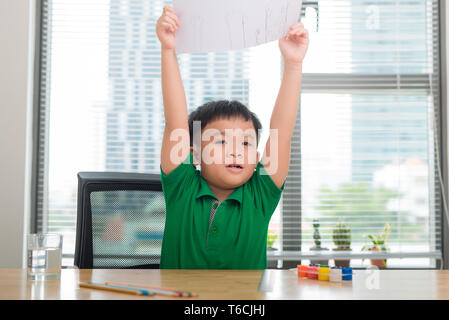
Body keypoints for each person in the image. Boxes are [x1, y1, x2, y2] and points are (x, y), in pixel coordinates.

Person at [156, 5, 309, 269]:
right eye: (221, 141)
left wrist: (293, 64)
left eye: (247, 143)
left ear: (259, 159)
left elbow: (281, 134)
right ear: (193, 152)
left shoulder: (259, 195)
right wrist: (168, 50)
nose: (236, 151)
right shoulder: (182, 187)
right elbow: (176, 124)